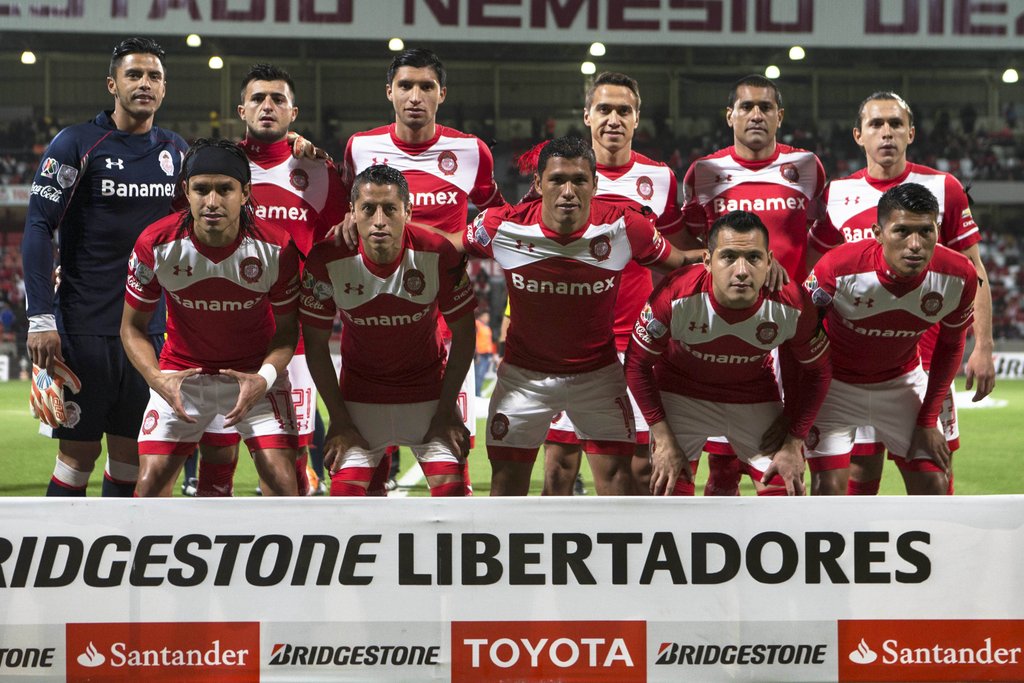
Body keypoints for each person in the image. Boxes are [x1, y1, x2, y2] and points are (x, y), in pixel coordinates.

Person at [457, 136, 697, 496]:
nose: (568, 191)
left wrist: (737, 257)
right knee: (506, 490)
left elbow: (681, 262)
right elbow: (446, 248)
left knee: (620, 486)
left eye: (579, 181)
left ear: (595, 185)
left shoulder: (625, 227)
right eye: (556, 180)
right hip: (524, 380)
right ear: (537, 184)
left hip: (598, 378)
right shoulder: (501, 226)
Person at [22, 37, 188, 497]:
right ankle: (58, 561)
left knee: (132, 455)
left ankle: (118, 565)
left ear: (164, 87)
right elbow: (38, 226)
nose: (144, 84)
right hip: (84, 329)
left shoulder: (176, 150)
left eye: (153, 76)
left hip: (151, 331)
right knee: (78, 457)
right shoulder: (76, 143)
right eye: (134, 75)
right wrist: (41, 317)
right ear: (112, 84)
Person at [343, 47, 505, 491]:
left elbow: (499, 215)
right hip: (376, 320)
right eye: (406, 86)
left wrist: (462, 242)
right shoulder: (360, 147)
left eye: (426, 87)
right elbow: (344, 217)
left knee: (453, 449)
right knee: (368, 460)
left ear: (442, 94)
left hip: (447, 322)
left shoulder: (471, 150)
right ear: (389, 92)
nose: (415, 96)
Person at [819, 91, 994, 495]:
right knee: (860, 469)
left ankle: (940, 554)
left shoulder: (943, 187)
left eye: (896, 124)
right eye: (876, 124)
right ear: (858, 135)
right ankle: (859, 557)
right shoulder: (837, 195)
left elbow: (974, 270)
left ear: (911, 133)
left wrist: (982, 346)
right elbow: (823, 276)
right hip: (857, 363)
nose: (887, 133)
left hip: (928, 362)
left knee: (934, 465)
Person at [189, 63, 348, 497]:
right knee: (217, 453)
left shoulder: (317, 172)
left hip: (289, 338)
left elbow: (340, 244)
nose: (267, 106)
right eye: (258, 98)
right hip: (224, 332)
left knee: (291, 455)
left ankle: (291, 547)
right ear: (241, 109)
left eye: (278, 99)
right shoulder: (219, 170)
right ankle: (211, 550)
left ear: (293, 113)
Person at [533, 71, 689, 496]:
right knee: (559, 469)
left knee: (638, 472)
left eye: (624, 110)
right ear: (587, 115)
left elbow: (675, 258)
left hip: (635, 340)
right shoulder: (561, 171)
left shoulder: (660, 179)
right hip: (570, 344)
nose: (613, 119)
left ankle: (627, 559)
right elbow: (534, 247)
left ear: (637, 119)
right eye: (604, 109)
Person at [121, 139, 302, 496]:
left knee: (284, 485)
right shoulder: (156, 244)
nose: (213, 202)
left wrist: (263, 380)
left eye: (225, 189)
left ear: (245, 192)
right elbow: (132, 328)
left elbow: (286, 334)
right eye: (202, 189)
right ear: (186, 191)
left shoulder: (276, 247)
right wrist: (157, 379)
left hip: (254, 374)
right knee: (147, 487)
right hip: (182, 374)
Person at [681, 74, 828, 496]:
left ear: (780, 116)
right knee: (722, 467)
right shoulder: (704, 172)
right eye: (746, 107)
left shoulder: (807, 167)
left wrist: (805, 293)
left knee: (781, 462)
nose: (756, 115)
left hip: (788, 329)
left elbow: (820, 238)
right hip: (725, 329)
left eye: (766, 107)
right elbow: (697, 247)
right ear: (730, 116)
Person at [624, 210, 831, 496]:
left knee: (786, 491)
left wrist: (794, 438)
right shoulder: (675, 294)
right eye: (729, 257)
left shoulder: (792, 303)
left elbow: (818, 371)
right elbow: (636, 364)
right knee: (667, 493)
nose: (742, 270)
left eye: (754, 258)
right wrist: (662, 436)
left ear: (770, 261)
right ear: (708, 261)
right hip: (680, 394)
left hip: (752, 395)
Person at [300, 164, 475, 496]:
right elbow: (315, 344)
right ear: (352, 212)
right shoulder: (325, 260)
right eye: (368, 209)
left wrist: (446, 411)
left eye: (390, 209)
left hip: (429, 396)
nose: (379, 220)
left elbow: (465, 336)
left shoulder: (438, 253)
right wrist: (339, 419)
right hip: (360, 399)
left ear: (407, 211)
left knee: (454, 499)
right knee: (345, 504)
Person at [806, 183, 977, 496]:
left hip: (901, 382)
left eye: (926, 231)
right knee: (826, 490)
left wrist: (927, 420)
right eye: (901, 232)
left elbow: (952, 346)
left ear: (938, 230)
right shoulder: (836, 268)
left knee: (934, 484)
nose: (915, 244)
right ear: (877, 232)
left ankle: (932, 546)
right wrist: (797, 415)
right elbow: (800, 336)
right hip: (836, 386)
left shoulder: (959, 275)